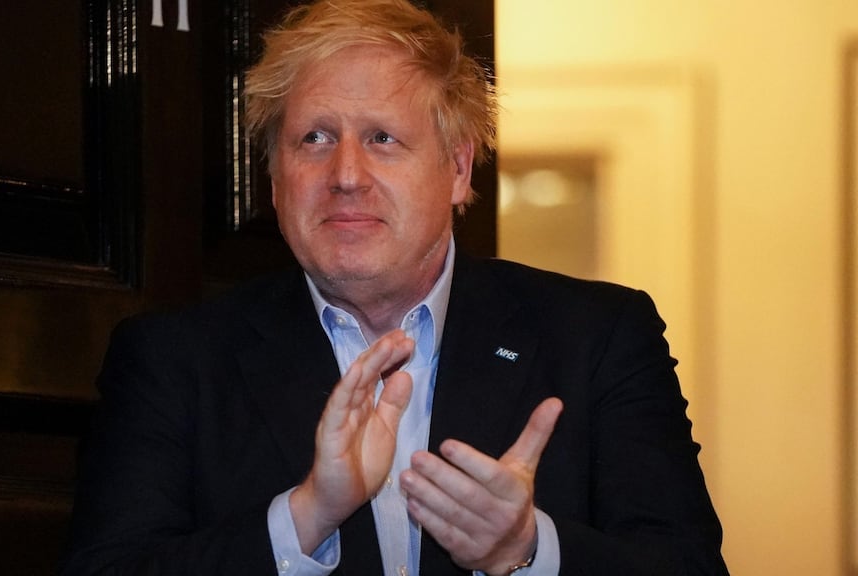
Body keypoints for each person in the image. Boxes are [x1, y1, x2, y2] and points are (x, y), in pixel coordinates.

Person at [60, 0, 730, 574]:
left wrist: (527, 550)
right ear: (273, 179)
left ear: (459, 169)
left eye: (382, 138)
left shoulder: (599, 338)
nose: (346, 174)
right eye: (313, 138)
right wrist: (304, 519)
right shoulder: (172, 361)